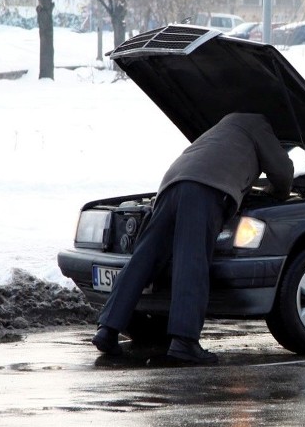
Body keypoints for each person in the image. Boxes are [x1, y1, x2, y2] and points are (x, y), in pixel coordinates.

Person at [91, 112, 294, 364]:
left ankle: (107, 329)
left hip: (172, 184)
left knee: (144, 258)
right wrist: (277, 192)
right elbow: (283, 172)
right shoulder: (260, 123)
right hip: (205, 189)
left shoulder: (226, 125)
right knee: (192, 260)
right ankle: (184, 342)